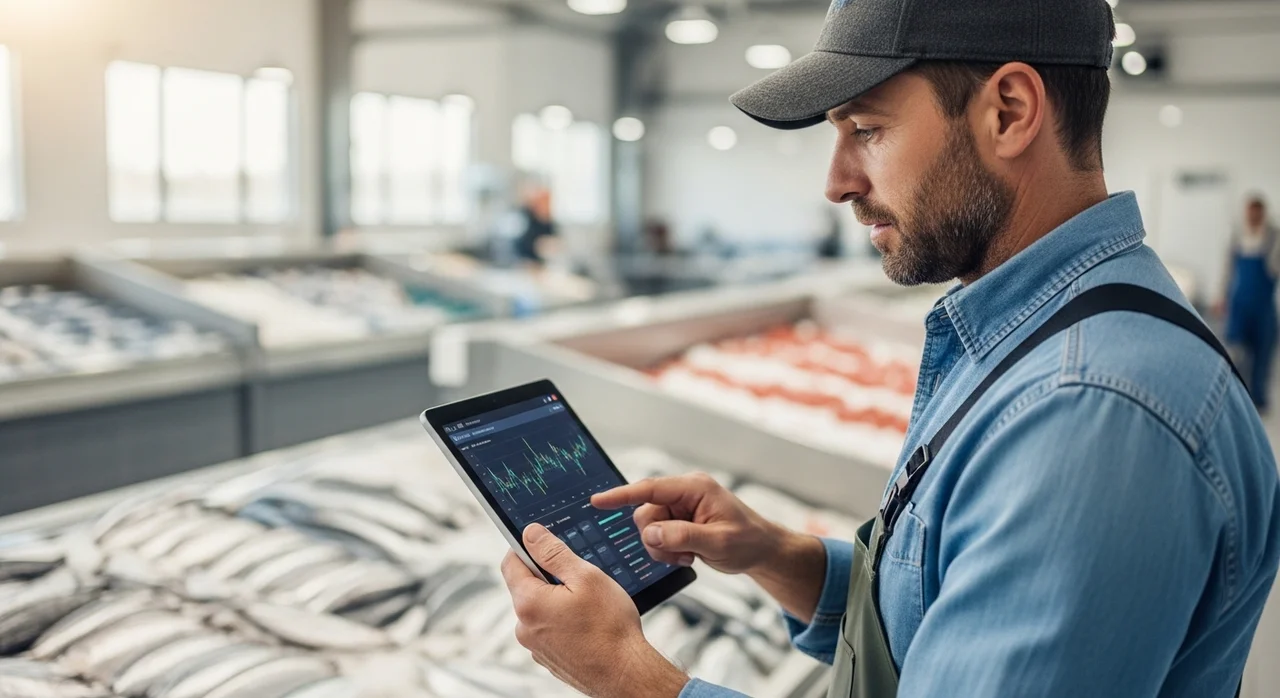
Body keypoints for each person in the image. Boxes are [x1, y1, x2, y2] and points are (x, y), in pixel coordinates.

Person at [500, 1, 1280, 697]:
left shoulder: (1091, 417)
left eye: (865, 131)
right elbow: (937, 608)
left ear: (1009, 111)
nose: (837, 183)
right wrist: (779, 555)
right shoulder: (1041, 330)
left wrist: (626, 675)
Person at [1223, 195, 1280, 410]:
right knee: (1236, 353)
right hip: (1240, 304)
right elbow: (1227, 269)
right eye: (1251, 211)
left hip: (1264, 307)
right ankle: (1236, 399)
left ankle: (1259, 400)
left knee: (1263, 353)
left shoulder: (1274, 236)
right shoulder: (1238, 235)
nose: (1254, 216)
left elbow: (1274, 269)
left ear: (1263, 213)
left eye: (1258, 212)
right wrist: (1222, 296)